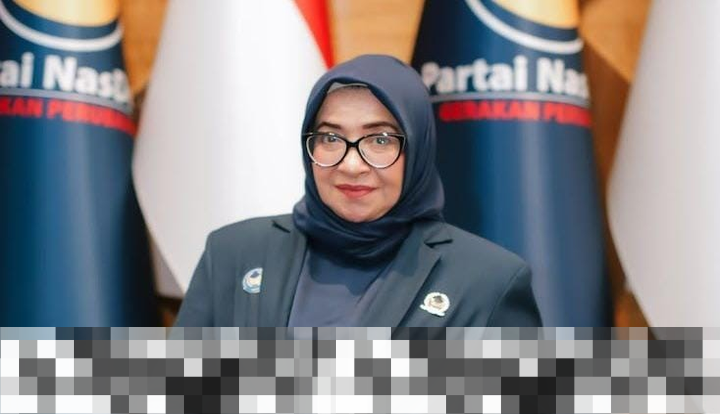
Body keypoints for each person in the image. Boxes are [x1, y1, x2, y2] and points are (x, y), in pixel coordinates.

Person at [174, 54, 541, 328]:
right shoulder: (233, 252)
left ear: (418, 148)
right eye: (331, 138)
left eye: (379, 140)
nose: (351, 165)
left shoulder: (488, 280)